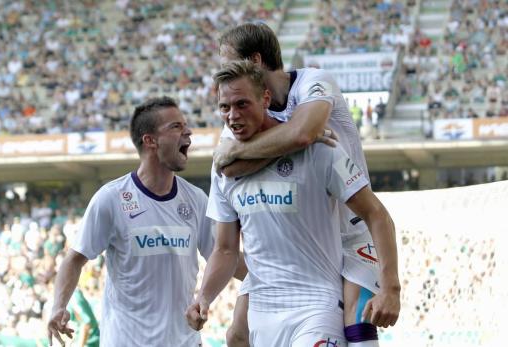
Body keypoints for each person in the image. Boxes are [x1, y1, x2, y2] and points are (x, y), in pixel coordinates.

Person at [186, 60, 400, 347]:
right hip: (262, 316)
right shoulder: (224, 168)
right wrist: (203, 297)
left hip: (316, 309)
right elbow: (225, 249)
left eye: (242, 104)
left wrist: (391, 288)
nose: (232, 116)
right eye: (225, 107)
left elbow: (376, 214)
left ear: (265, 98)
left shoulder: (319, 149)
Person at [47, 97, 220, 346]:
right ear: (150, 140)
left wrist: (265, 274)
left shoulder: (195, 199)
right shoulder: (111, 198)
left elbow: (223, 256)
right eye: (176, 127)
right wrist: (58, 306)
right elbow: (74, 259)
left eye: (185, 125)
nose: (188, 132)